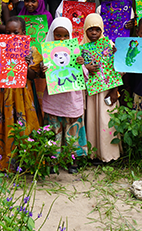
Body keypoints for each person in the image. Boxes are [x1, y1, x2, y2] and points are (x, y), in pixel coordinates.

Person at [31, 17, 87, 172]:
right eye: (58, 35)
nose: (62, 39)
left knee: (72, 128)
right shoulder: (47, 55)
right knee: (54, 129)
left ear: (70, 36)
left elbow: (84, 76)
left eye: (65, 36)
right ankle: (52, 160)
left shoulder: (76, 54)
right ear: (52, 35)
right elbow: (43, 77)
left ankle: (72, 160)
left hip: (71, 100)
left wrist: (81, 64)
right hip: (55, 100)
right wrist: (43, 72)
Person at [0, 17, 41, 172]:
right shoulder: (1, 49)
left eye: (16, 32)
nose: (12, 36)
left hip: (24, 95)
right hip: (7, 95)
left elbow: (34, 76)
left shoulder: (31, 51)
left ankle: (27, 161)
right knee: (8, 124)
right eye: (8, 33)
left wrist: (24, 63)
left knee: (25, 124)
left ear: (24, 32)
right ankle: (8, 160)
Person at [82, 14, 121, 164]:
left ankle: (110, 154)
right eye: (90, 29)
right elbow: (77, 71)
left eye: (97, 30)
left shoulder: (110, 45)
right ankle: (94, 154)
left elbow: (117, 68)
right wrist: (85, 67)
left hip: (107, 91)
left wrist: (114, 90)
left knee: (107, 121)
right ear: (85, 30)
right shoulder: (81, 48)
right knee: (92, 121)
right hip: (91, 93)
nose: (93, 33)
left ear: (102, 30)